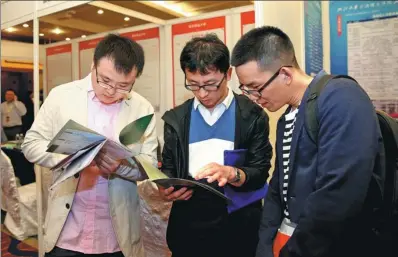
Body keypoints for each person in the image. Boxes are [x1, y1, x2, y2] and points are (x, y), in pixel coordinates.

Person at [231, 26, 384, 257]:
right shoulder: (287, 116)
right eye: (247, 90)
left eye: (255, 88)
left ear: (285, 74)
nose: (254, 98)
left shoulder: (341, 97)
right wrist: (264, 246)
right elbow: (277, 188)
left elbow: (337, 196)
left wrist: (294, 252)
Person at [22, 33, 158, 257]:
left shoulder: (142, 109)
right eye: (105, 80)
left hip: (117, 234)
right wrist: (69, 155)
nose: (111, 91)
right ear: (92, 65)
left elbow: (150, 165)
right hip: (67, 230)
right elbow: (31, 144)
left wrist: (120, 167)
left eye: (124, 86)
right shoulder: (62, 96)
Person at [159, 34, 272, 257]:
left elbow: (260, 171)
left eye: (210, 84)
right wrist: (167, 190)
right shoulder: (176, 119)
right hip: (189, 231)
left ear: (228, 74)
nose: (202, 94)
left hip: (239, 230)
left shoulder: (252, 115)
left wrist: (232, 173)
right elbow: (168, 170)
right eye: (193, 85)